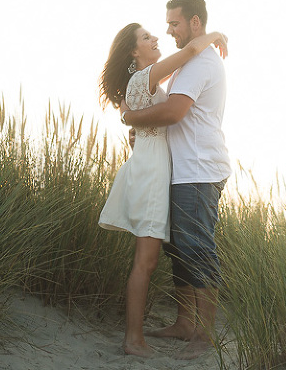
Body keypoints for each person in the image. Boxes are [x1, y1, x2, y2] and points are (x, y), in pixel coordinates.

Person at [98, 21, 228, 358]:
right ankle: (133, 340)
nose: (156, 37)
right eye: (146, 37)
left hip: (155, 170)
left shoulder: (148, 80)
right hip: (152, 174)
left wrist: (131, 121)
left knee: (151, 258)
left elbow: (177, 77)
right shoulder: (144, 77)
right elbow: (187, 53)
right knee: (146, 261)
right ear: (132, 51)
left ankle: (141, 336)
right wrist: (215, 35)